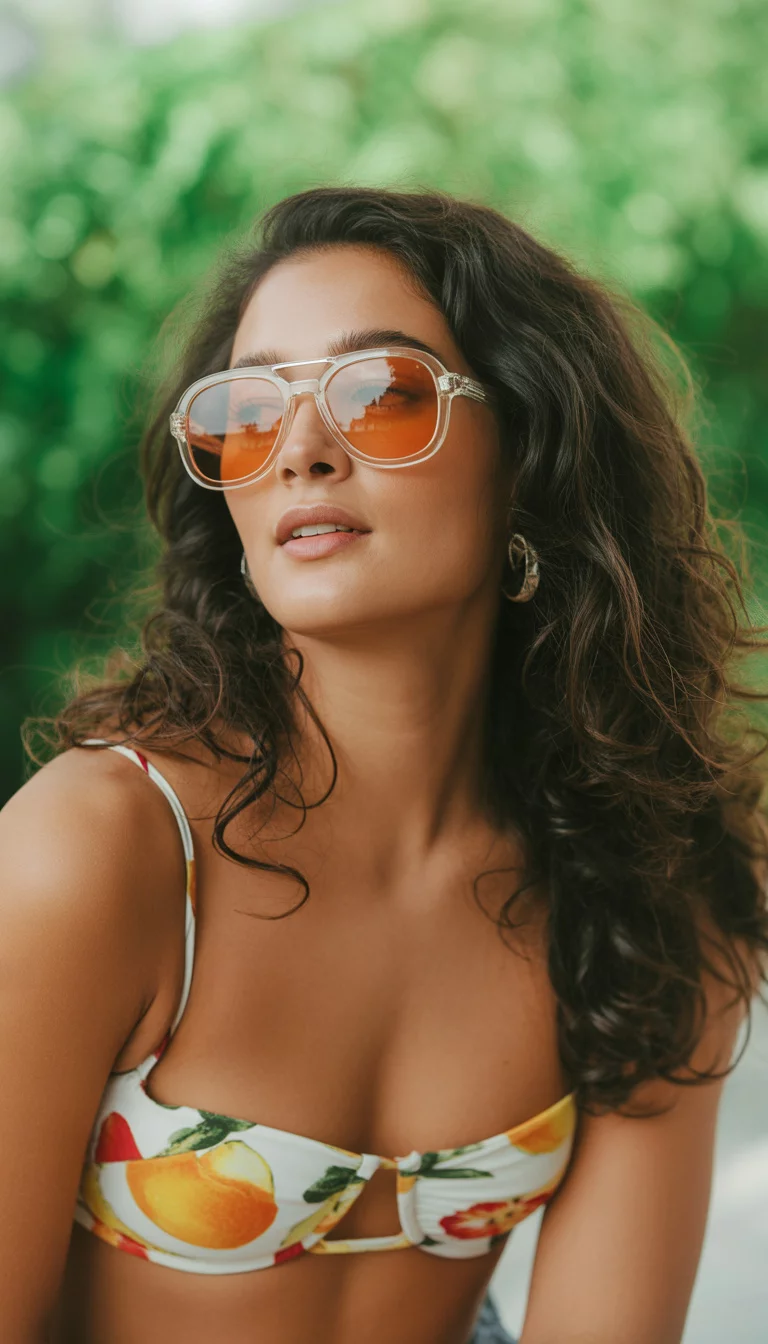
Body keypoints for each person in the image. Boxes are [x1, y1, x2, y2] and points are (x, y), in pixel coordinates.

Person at [2, 184, 767, 1344]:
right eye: (247, 411)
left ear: (528, 450)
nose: (300, 450)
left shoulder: (653, 877)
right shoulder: (101, 847)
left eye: (383, 394)